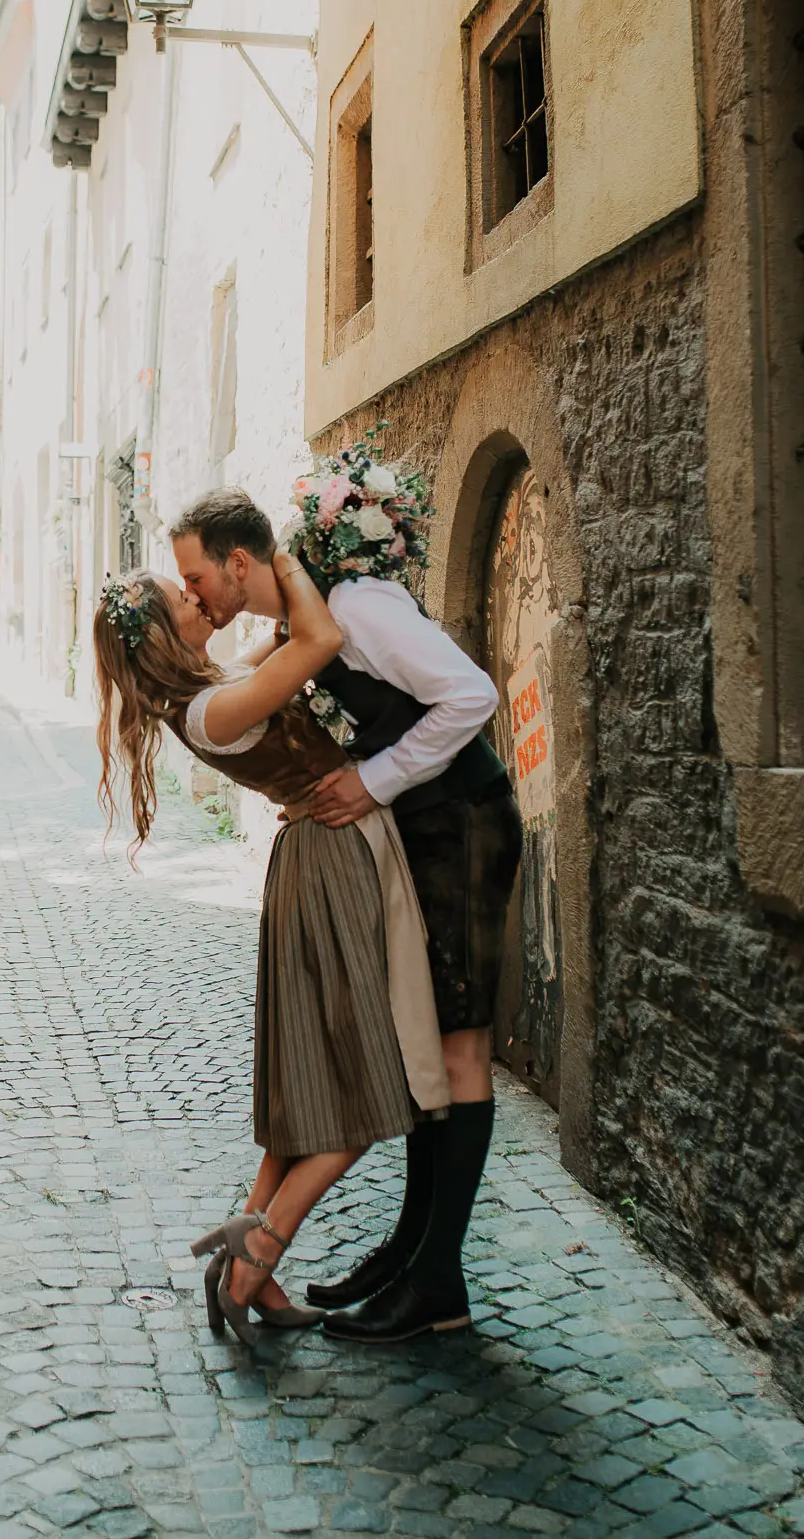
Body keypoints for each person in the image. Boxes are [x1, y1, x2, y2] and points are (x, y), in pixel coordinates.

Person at [171, 487, 522, 1344]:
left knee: (458, 1048)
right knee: (429, 1051)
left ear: (239, 563)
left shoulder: (356, 609)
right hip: (422, 833)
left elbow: (471, 697)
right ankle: (410, 1249)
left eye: (195, 575)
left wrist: (375, 779)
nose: (193, 594)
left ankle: (437, 1282)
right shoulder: (296, 624)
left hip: (464, 825)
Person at [92, 546, 451, 1347]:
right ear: (160, 631)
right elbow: (317, 643)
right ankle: (257, 1255)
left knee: (310, 1090)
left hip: (320, 855)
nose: (195, 595)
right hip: (333, 860)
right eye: (179, 594)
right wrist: (283, 552)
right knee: (365, 1092)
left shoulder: (210, 692)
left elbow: (284, 644)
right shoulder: (213, 708)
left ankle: (245, 1244)